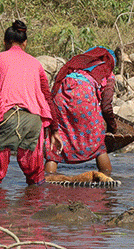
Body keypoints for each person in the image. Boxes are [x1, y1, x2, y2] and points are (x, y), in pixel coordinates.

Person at [0, 20, 53, 187]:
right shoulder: (36, 64)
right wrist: (55, 129)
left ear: (5, 42)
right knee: (35, 177)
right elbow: (48, 98)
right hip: (33, 120)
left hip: (6, 118)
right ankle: (32, 210)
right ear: (25, 43)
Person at [45, 46, 118, 177]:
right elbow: (106, 106)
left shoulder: (77, 64)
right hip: (84, 97)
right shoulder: (107, 72)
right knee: (98, 142)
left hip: (60, 97)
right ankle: (107, 179)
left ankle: (48, 179)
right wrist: (112, 127)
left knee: (57, 140)